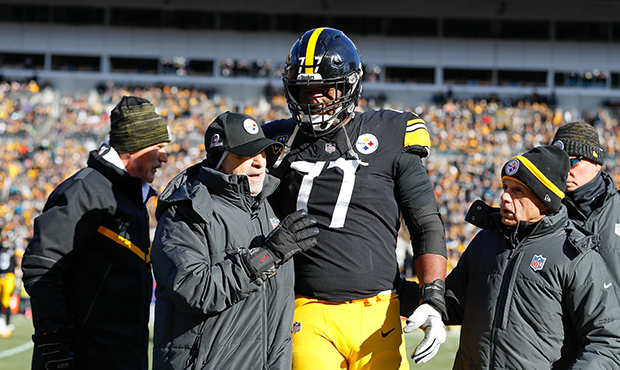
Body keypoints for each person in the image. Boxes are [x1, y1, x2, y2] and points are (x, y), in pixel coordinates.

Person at [261, 27, 448, 369]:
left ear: (351, 85)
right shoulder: (275, 140)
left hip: (378, 312)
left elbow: (424, 222)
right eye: (304, 90)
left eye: (323, 88)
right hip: (306, 307)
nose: (313, 98)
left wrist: (433, 296)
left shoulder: (390, 131)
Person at [151, 111, 319, 370]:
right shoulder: (185, 212)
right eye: (246, 155)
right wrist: (268, 255)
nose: (259, 163)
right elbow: (193, 289)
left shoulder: (268, 208)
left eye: (262, 153)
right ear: (220, 160)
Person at [22, 96, 171, 370]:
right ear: (134, 146)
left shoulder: (131, 197)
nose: (165, 156)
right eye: (159, 146)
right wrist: (54, 343)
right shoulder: (85, 190)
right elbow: (42, 266)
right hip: (83, 358)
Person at [438, 145, 620, 368]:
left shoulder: (575, 256)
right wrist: (394, 289)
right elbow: (452, 303)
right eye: (505, 187)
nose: (504, 196)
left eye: (518, 190)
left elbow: (606, 340)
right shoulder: (485, 241)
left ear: (544, 200)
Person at [551, 121, 620, 302]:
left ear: (596, 162)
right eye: (558, 163)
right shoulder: (545, 214)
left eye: (572, 161)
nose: (564, 171)